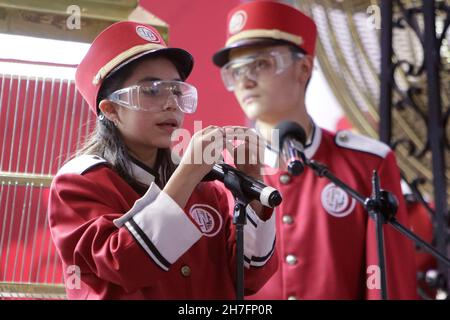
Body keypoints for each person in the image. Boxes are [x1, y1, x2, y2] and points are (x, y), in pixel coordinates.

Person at [48, 21, 277, 299]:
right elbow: (125, 264)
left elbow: (250, 277)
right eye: (152, 90)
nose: (171, 104)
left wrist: (252, 184)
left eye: (177, 91)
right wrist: (188, 173)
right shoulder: (79, 183)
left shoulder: (205, 185)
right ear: (111, 110)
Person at [212, 1, 417, 299]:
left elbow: (388, 286)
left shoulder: (367, 162)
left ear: (304, 67)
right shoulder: (220, 172)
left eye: (261, 63)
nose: (246, 80)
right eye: (235, 70)